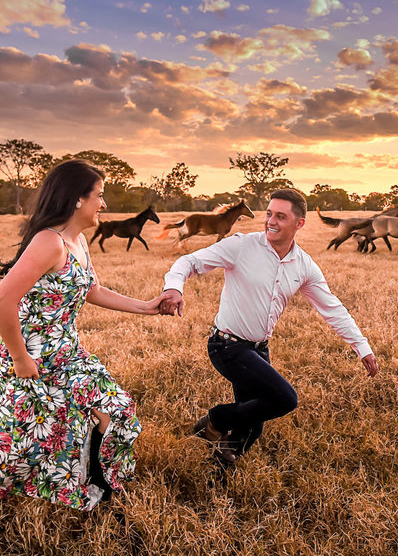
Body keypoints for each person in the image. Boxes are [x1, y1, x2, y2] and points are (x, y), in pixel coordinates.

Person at [0, 160, 163, 510]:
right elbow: (2, 300)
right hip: (32, 359)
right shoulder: (50, 242)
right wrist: (20, 359)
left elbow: (94, 290)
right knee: (23, 444)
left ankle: (96, 482)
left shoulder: (79, 241)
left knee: (115, 408)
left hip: (67, 353)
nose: (103, 205)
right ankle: (92, 487)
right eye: (99, 196)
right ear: (77, 200)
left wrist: (147, 306)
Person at [158, 188, 378, 468]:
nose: (271, 221)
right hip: (226, 345)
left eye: (281, 217)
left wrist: (361, 346)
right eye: (269, 214)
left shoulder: (304, 266)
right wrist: (174, 288)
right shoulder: (242, 246)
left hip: (259, 350)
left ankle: (219, 464)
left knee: (254, 426)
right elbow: (189, 261)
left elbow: (332, 307)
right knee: (284, 398)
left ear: (299, 223)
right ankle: (215, 420)